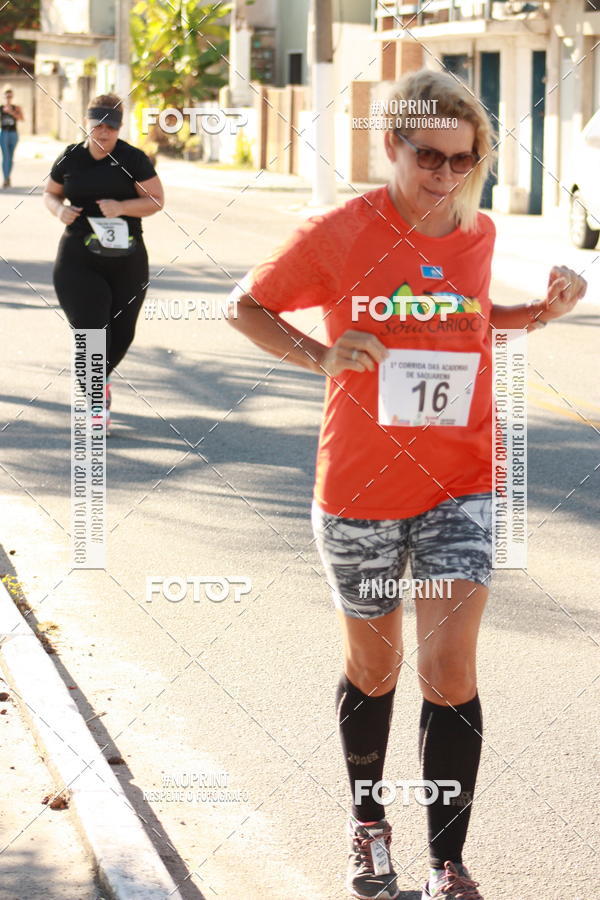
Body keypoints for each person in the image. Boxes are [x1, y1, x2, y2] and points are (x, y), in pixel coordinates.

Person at [227, 68, 586, 900]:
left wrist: (536, 312)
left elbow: (466, 313)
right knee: (377, 669)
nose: (447, 176)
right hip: (357, 488)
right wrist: (321, 355)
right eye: (430, 157)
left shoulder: (477, 232)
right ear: (392, 145)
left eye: (465, 161)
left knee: (451, 671)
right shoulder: (341, 231)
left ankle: (447, 861)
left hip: (462, 480)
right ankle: (367, 823)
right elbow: (244, 306)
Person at [43, 94, 164, 434]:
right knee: (91, 332)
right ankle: (97, 406)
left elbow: (156, 200)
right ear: (87, 122)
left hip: (126, 257)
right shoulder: (71, 157)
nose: (104, 132)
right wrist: (59, 210)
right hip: (77, 258)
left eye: (111, 126)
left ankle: (100, 377)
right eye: (98, 124)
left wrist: (122, 207)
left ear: (119, 127)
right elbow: (50, 193)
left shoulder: (133, 159)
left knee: (122, 333)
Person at [1, 84, 24, 188]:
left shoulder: (16, 107)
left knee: (11, 157)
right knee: (5, 156)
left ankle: (8, 176)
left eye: (10, 96)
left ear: (12, 96)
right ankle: (5, 179)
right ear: (3, 96)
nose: (8, 98)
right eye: (6, 96)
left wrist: (11, 112)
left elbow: (21, 118)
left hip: (13, 134)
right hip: (3, 133)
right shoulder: (1, 108)